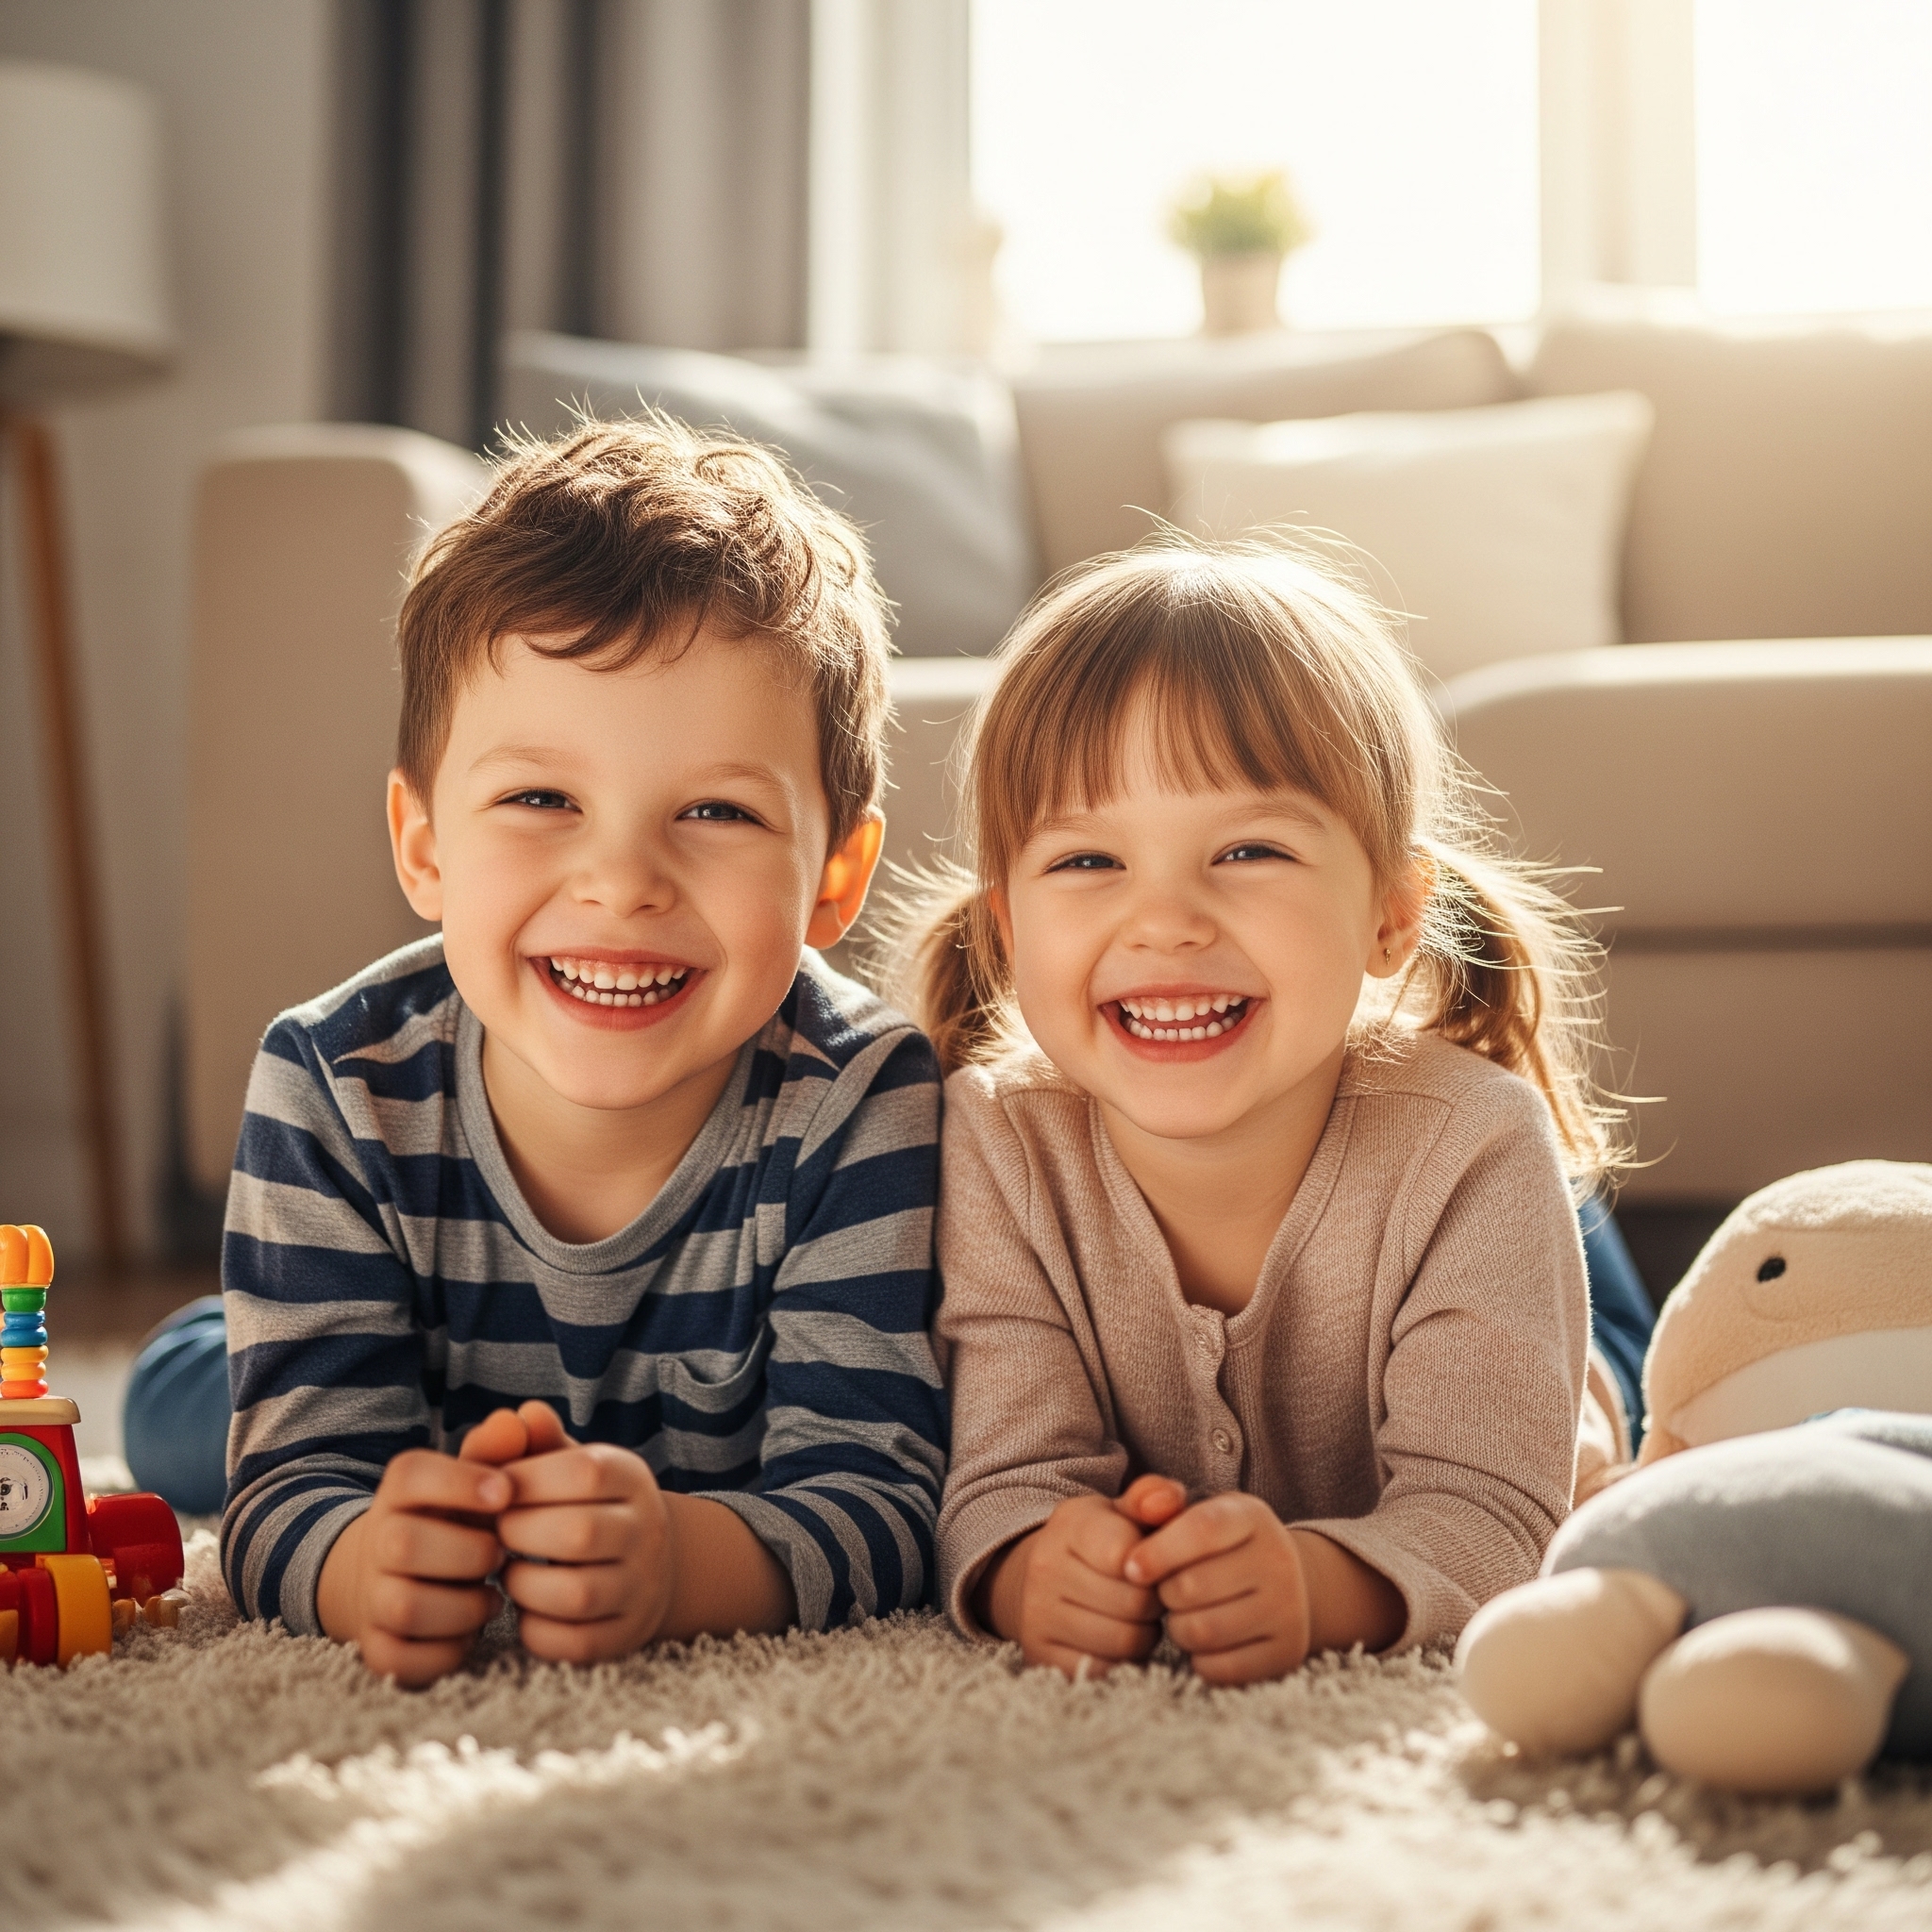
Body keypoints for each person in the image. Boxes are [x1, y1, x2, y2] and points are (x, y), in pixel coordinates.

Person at [180, 417, 944, 1686]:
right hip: (311, 1326)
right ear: (424, 846)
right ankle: (203, 1339)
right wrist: (362, 1558)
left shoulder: (865, 1098)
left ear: (836, 878)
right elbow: (283, 1494)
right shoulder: (328, 1083)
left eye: (716, 811)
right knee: (185, 1421)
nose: (622, 881)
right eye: (542, 801)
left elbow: (882, 1495)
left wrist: (685, 1563)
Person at [908, 539, 1641, 1686]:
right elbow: (1004, 1478)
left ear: (1392, 914)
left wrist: (1316, 1584)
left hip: (1541, 1294)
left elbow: (1493, 1517)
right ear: (1005, 928)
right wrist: (1031, 1564)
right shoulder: (991, 1143)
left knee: (1612, 1406)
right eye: (1089, 858)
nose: (1165, 920)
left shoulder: (1472, 1145)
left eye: (1246, 849)